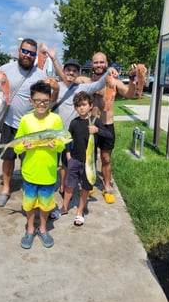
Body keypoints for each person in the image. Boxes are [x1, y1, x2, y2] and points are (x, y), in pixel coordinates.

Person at [0, 38, 59, 207]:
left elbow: (49, 101)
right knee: (8, 158)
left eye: (31, 53)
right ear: (19, 51)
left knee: (28, 157)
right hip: (9, 123)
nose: (27, 55)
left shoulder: (40, 75)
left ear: (34, 56)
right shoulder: (5, 70)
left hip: (31, 126)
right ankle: (6, 189)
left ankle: (27, 185)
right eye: (25, 51)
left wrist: (56, 89)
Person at [46, 53, 116, 199]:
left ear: (78, 74)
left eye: (74, 71)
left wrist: (108, 72)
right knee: (51, 161)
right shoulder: (55, 86)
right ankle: (45, 185)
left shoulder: (81, 88)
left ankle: (63, 186)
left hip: (69, 135)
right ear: (63, 71)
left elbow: (98, 84)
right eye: (68, 70)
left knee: (66, 163)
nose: (71, 73)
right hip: (54, 133)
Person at [75, 52, 136, 204]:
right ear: (91, 64)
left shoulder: (113, 81)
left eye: (102, 62)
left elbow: (129, 94)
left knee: (106, 158)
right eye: (96, 62)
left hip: (107, 125)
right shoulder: (85, 80)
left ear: (107, 63)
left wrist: (133, 79)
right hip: (89, 124)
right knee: (88, 157)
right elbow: (67, 79)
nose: (99, 65)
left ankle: (107, 186)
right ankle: (89, 182)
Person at [13, 81, 65, 248]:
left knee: (45, 204)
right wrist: (23, 147)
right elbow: (17, 144)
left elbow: (62, 144)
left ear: (50, 100)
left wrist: (55, 145)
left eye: (45, 101)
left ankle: (43, 229)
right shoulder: (25, 120)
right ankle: (29, 229)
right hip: (30, 171)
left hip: (48, 173)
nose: (41, 104)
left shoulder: (56, 119)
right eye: (37, 100)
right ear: (31, 101)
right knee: (29, 203)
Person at [54, 91, 113, 226]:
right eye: (78, 105)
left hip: (89, 163)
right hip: (74, 160)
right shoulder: (74, 123)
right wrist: (68, 155)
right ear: (75, 108)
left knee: (85, 187)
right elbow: (68, 140)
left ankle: (80, 211)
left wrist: (97, 131)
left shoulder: (95, 121)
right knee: (69, 185)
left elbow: (109, 135)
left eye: (84, 105)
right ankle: (64, 208)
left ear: (91, 106)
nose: (81, 108)